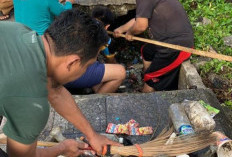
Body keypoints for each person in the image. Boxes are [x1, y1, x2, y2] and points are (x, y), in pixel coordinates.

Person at [0, 9, 120, 157]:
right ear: (73, 62)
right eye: (87, 66)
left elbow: (55, 91)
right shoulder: (32, 105)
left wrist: (92, 136)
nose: (86, 71)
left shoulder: (18, 29)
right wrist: (62, 148)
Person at [114, 0, 194, 92]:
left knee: (151, 79)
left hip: (177, 47)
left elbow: (141, 26)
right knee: (146, 51)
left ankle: (148, 87)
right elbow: (138, 19)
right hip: (167, 41)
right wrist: (120, 29)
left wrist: (130, 32)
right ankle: (147, 76)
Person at [65, 7, 126, 94]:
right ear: (107, 26)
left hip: (54, 72)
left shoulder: (75, 23)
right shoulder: (106, 40)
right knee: (120, 72)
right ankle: (98, 96)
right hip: (72, 77)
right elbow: (110, 61)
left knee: (94, 62)